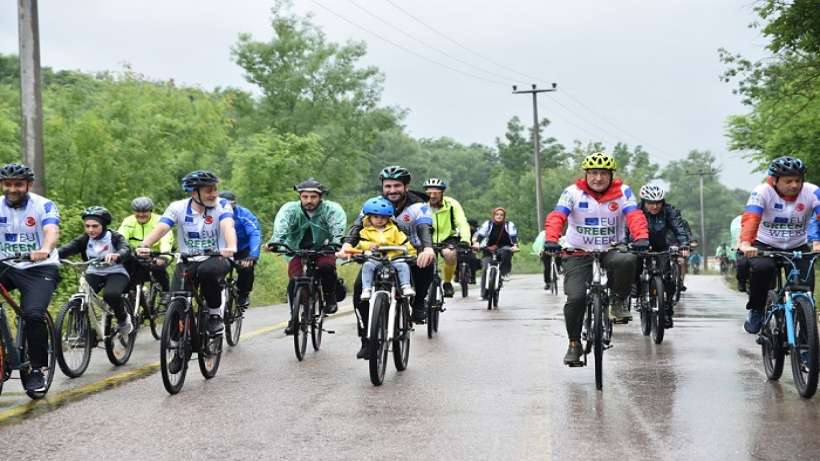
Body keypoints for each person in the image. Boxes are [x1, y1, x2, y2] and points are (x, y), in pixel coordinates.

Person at [543, 152, 649, 366]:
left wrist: (641, 237)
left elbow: (635, 216)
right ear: (586, 174)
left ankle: (619, 301)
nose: (598, 178)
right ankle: (574, 344)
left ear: (611, 175)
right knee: (576, 298)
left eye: (602, 173)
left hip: (611, 249)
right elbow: (557, 216)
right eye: (593, 173)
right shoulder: (572, 192)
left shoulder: (623, 192)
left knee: (628, 260)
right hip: (577, 251)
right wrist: (552, 239)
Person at [339, 166, 435, 359]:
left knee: (427, 264)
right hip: (378, 254)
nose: (392, 190)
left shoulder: (419, 205)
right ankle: (367, 340)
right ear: (382, 187)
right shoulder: (374, 204)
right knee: (359, 289)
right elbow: (357, 227)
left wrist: (427, 248)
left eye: (397, 186)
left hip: (408, 252)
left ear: (406, 186)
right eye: (388, 186)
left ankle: (418, 305)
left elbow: (425, 228)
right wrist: (347, 246)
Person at [136, 170, 237, 336]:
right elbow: (162, 228)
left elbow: (227, 225)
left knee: (207, 272)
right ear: (194, 192)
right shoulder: (178, 207)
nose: (214, 194)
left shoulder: (223, 204)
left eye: (215, 189)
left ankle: (214, 315)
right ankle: (176, 349)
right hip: (187, 259)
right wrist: (145, 244)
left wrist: (231, 246)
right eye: (208, 190)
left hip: (217, 256)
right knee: (176, 301)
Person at [739, 156, 820, 334]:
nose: (794, 185)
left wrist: (817, 242)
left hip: (797, 246)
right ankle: (757, 310)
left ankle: (807, 343)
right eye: (788, 181)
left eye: (798, 180)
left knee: (806, 293)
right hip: (765, 244)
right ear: (774, 181)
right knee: (762, 269)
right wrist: (746, 243)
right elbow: (751, 218)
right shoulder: (762, 192)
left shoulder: (812, 192)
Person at [0, 163, 60, 393]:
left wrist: (45, 248)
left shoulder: (43, 205)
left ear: (28, 184)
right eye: (8, 184)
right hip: (6, 263)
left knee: (33, 314)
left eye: (18, 184)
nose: (12, 188)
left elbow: (51, 230)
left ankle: (37, 369)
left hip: (39, 267)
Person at [268, 178, 346, 334]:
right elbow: (281, 226)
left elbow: (338, 228)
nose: (309, 200)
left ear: (320, 197)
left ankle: (330, 295)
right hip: (297, 248)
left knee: (326, 267)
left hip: (324, 247)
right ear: (300, 197)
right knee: (294, 280)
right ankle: (294, 318)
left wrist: (336, 243)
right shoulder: (290, 209)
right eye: (305, 197)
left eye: (313, 197)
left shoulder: (331, 209)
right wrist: (276, 242)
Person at [59, 207, 132, 335]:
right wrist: (49, 256)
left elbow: (125, 248)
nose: (90, 230)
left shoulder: (114, 237)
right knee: (81, 295)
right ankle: (82, 331)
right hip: (94, 272)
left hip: (116, 272)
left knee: (111, 295)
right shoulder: (84, 239)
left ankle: (123, 319)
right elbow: (67, 249)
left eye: (94, 226)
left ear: (103, 225)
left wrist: (117, 255)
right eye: (87, 226)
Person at [636, 184, 690, 327]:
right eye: (650, 203)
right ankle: (635, 289)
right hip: (640, 244)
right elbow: (628, 228)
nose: (654, 207)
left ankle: (666, 310)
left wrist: (683, 244)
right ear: (643, 202)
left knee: (668, 279)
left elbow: (679, 228)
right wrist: (629, 244)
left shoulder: (669, 211)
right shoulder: (635, 211)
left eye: (658, 203)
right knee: (633, 267)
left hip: (662, 245)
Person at [354, 197, 416, 300]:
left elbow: (405, 242)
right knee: (367, 266)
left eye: (383, 217)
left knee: (403, 265)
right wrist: (369, 246)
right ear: (369, 217)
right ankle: (366, 289)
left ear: (388, 218)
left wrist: (412, 254)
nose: (379, 219)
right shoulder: (365, 231)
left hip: (394, 258)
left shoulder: (394, 230)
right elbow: (361, 243)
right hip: (375, 258)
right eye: (376, 216)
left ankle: (406, 286)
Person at [118, 196, 173, 304]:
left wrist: (164, 256)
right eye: (138, 212)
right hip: (136, 253)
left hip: (156, 253)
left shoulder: (160, 221)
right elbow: (120, 238)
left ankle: (165, 291)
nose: (141, 214)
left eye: (144, 212)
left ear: (150, 211)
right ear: (134, 211)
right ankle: (130, 295)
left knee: (158, 267)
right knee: (125, 269)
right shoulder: (129, 221)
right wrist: (119, 252)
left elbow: (166, 239)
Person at [423, 178, 471, 297]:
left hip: (448, 236)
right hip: (426, 237)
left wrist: (465, 239)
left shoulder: (451, 204)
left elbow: (462, 222)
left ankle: (447, 282)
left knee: (450, 254)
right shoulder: (421, 205)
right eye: (429, 193)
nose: (432, 196)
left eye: (436, 193)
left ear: (442, 193)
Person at [219, 191, 261, 308]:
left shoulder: (244, 214)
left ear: (235, 204)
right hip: (223, 249)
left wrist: (253, 255)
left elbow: (254, 233)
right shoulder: (212, 215)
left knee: (246, 268)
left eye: (230, 205)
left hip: (243, 249)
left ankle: (243, 293)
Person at [473, 208, 520, 298]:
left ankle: (504, 273)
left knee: (506, 252)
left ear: (504, 216)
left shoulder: (508, 225)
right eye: (497, 214)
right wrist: (477, 243)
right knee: (485, 268)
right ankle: (483, 294)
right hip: (489, 248)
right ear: (494, 215)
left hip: (504, 247)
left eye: (501, 215)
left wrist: (515, 245)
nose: (499, 216)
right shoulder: (488, 224)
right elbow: (481, 234)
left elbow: (513, 235)